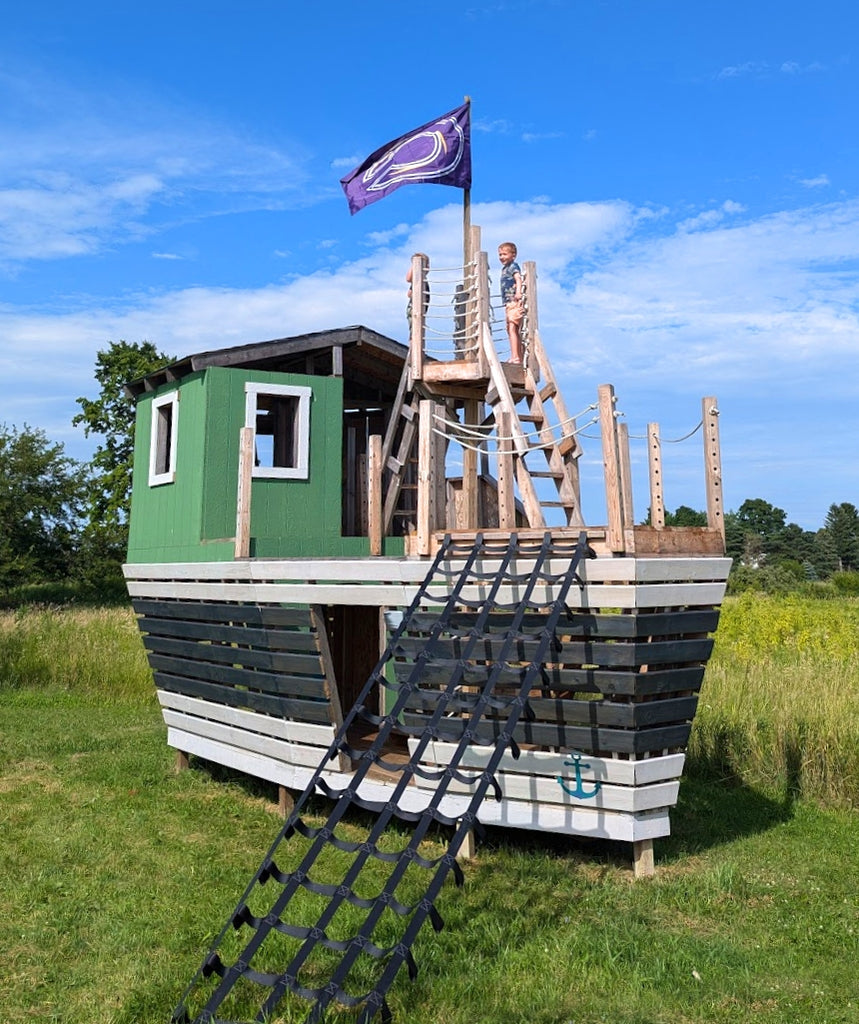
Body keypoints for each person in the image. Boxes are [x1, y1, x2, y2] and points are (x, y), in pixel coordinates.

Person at [498, 241, 524, 363]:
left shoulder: (513, 266)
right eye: (500, 255)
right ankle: (516, 355)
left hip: (514, 301)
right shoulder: (505, 269)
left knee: (513, 327)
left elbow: (518, 279)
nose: (501, 257)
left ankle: (516, 356)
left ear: (513, 255)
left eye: (504, 254)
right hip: (508, 303)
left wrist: (518, 292)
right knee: (510, 329)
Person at [405, 252, 430, 326]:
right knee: (415, 327)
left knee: (418, 325)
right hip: (415, 310)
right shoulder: (418, 279)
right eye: (426, 264)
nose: (428, 267)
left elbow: (409, 294)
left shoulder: (422, 280)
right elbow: (408, 278)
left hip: (420, 310)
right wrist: (415, 264)